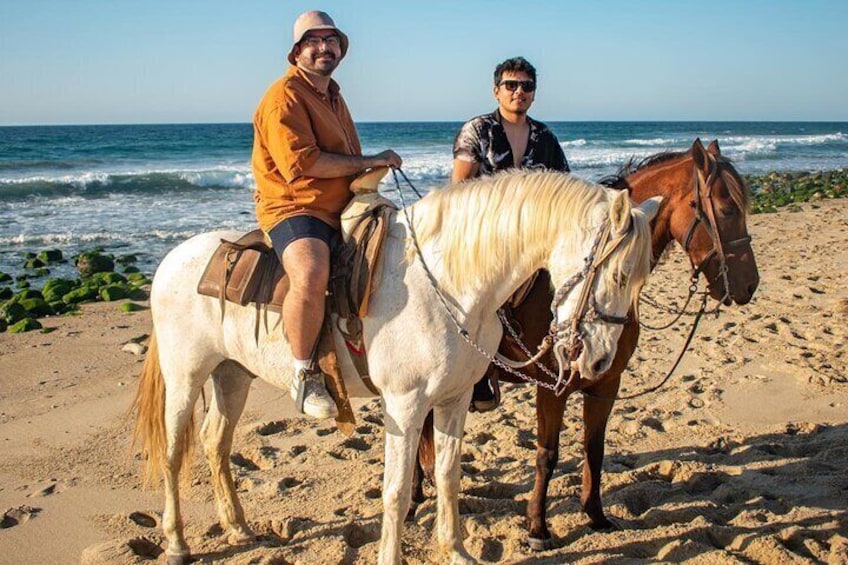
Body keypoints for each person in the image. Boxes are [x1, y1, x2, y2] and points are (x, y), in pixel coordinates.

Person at [252, 10, 402, 419]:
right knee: (312, 271)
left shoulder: (333, 93)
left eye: (330, 40)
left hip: (341, 203)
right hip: (296, 205)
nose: (324, 48)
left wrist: (370, 167)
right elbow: (305, 164)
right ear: (298, 51)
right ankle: (304, 373)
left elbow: (345, 157)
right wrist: (369, 159)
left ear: (340, 49)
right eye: (313, 41)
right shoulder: (284, 96)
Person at [452, 56, 570, 411]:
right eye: (511, 85)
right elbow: (459, 188)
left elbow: (565, 189)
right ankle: (481, 369)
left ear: (534, 94)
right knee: (483, 296)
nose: (519, 91)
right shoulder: (478, 129)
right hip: (484, 233)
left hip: (535, 238)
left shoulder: (545, 137)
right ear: (496, 91)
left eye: (526, 86)